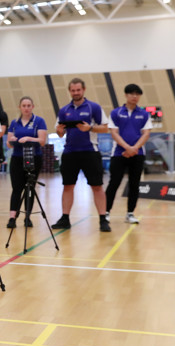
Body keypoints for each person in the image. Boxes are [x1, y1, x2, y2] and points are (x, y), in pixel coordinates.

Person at [51, 78, 111, 232]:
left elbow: (105, 128)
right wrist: (59, 131)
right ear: (70, 91)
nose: (76, 93)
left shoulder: (94, 107)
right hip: (70, 152)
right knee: (67, 186)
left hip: (90, 152)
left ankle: (103, 219)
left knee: (97, 186)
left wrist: (90, 128)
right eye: (73, 90)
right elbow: (60, 132)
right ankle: (65, 218)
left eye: (78, 90)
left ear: (83, 89)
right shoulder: (64, 110)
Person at [105, 84, 152, 224]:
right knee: (114, 182)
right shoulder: (115, 113)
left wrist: (134, 148)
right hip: (119, 154)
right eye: (132, 94)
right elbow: (114, 132)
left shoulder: (144, 114)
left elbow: (146, 133)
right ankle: (106, 212)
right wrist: (127, 147)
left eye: (137, 94)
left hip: (137, 154)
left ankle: (130, 213)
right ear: (126, 95)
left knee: (134, 184)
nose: (135, 96)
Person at [6, 96, 48, 228]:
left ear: (32, 107)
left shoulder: (39, 121)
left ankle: (27, 217)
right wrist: (13, 140)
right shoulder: (14, 122)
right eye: (24, 105)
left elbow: (42, 141)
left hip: (33, 157)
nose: (26, 108)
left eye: (29, 105)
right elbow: (9, 144)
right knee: (16, 188)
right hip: (17, 158)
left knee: (30, 188)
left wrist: (29, 138)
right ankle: (12, 218)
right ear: (20, 107)